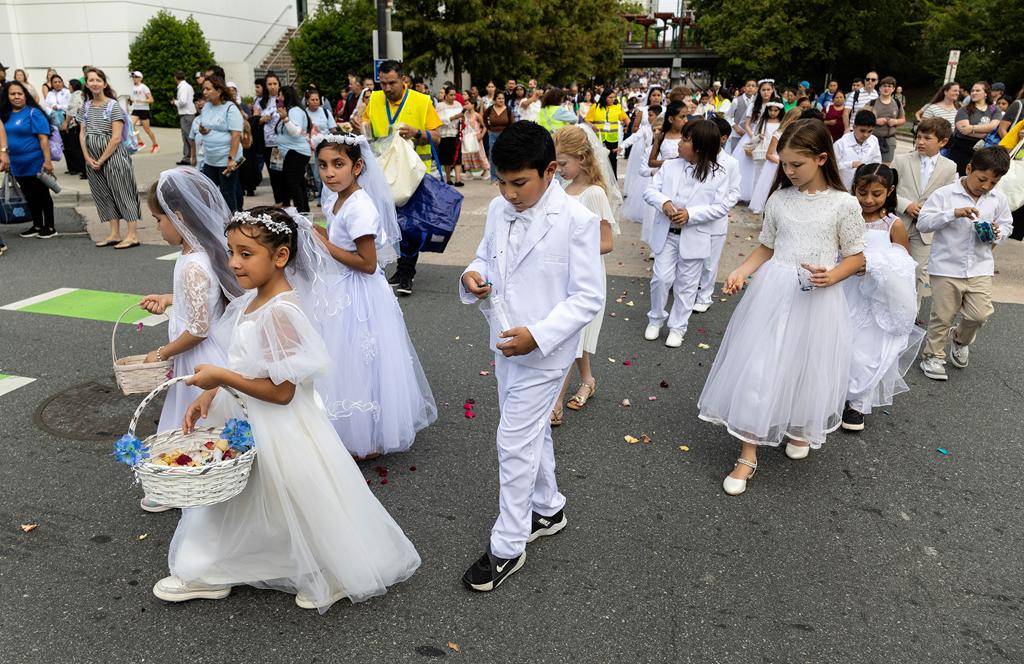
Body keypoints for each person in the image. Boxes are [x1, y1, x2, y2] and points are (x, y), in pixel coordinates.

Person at [154, 206, 421, 611]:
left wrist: (221, 380)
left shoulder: (282, 312)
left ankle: (333, 570)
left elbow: (282, 393)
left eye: (246, 254)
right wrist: (207, 396)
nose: (233, 263)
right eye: (231, 251)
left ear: (280, 257)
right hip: (243, 414)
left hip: (280, 423)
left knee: (297, 496)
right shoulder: (250, 301)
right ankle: (212, 565)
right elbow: (239, 361)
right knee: (237, 496)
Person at [458, 121, 604, 592]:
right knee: (530, 430)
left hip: (544, 352)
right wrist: (471, 275)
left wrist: (537, 337)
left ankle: (508, 544)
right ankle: (549, 506)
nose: (509, 193)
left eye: (519, 182)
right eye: (501, 182)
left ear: (550, 171)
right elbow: (485, 257)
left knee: (514, 440)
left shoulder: (577, 220)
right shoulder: (501, 210)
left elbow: (587, 297)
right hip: (504, 339)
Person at [700, 119, 865, 495]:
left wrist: (832, 275)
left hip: (818, 295)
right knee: (762, 363)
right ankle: (748, 452)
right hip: (775, 291)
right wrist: (740, 271)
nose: (788, 172)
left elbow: (857, 258)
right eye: (784, 165)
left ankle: (800, 425)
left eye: (797, 165)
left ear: (822, 159)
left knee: (808, 363)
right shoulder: (778, 199)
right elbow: (767, 246)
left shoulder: (844, 204)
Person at [312, 134, 437, 458]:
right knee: (344, 360)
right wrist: (317, 234)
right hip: (341, 287)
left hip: (360, 293)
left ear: (357, 166)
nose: (329, 173)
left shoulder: (360, 207)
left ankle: (368, 436)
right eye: (323, 165)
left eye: (338, 165)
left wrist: (326, 245)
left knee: (361, 360)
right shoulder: (334, 197)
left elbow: (367, 264)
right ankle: (349, 425)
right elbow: (338, 236)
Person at [136, 168, 243, 512]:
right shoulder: (198, 254)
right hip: (197, 353)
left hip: (198, 355)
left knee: (198, 419)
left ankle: (197, 480)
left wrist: (162, 352)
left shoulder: (194, 263)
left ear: (177, 217)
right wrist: (171, 299)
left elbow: (198, 328)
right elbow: (201, 300)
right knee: (196, 418)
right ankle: (205, 474)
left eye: (158, 219)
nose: (157, 227)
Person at [917, 147, 1013, 381]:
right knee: (942, 314)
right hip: (946, 266)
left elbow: (1007, 224)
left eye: (993, 182)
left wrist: (998, 232)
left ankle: (960, 339)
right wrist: (953, 213)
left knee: (979, 314)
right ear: (969, 169)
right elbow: (924, 222)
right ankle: (933, 356)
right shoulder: (945, 194)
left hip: (980, 266)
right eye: (982, 179)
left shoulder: (998, 199)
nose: (986, 186)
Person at [841, 164, 924, 431]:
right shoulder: (845, 215)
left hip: (873, 296)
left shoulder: (893, 224)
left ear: (889, 192)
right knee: (840, 343)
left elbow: (903, 263)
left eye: (876, 194)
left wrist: (873, 265)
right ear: (853, 188)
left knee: (865, 350)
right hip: (842, 288)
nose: (868, 200)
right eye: (862, 192)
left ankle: (858, 402)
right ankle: (833, 393)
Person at [642, 119, 739, 348]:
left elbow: (721, 206)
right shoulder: (669, 166)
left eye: (685, 140)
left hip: (695, 235)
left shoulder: (719, 173)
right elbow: (650, 190)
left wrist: (691, 215)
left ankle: (678, 327)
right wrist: (664, 202)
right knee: (661, 278)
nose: (679, 143)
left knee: (686, 284)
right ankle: (656, 317)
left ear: (700, 146)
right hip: (667, 234)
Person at [549, 124, 621, 425]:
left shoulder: (594, 194)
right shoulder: (562, 191)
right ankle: (588, 381)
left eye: (563, 163)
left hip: (586, 274)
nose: (559, 169)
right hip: (563, 273)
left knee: (571, 336)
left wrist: (573, 249)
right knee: (573, 334)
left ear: (582, 158)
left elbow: (607, 242)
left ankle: (555, 404)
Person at [892, 117, 958, 312]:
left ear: (943, 142)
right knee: (895, 266)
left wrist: (929, 212)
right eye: (918, 137)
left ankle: (912, 312)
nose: (920, 142)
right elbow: (887, 191)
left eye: (927, 138)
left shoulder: (949, 167)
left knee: (920, 271)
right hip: (900, 222)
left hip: (926, 228)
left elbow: (946, 198)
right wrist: (906, 205)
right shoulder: (901, 160)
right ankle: (891, 306)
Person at [79, 67, 141, 249]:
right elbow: (82, 134)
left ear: (104, 84)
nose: (95, 83)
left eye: (98, 80)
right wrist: (87, 157)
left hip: (113, 156)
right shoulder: (85, 107)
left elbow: (115, 137)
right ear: (87, 84)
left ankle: (132, 235)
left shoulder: (113, 105)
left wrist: (101, 159)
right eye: (91, 80)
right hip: (92, 158)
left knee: (124, 192)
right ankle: (114, 233)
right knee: (103, 194)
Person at [694, 116, 742, 313]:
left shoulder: (730, 163)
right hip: (694, 218)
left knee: (709, 262)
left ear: (722, 138)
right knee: (692, 258)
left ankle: (704, 296)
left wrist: (721, 207)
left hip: (715, 221)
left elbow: (734, 192)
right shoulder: (696, 157)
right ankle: (690, 289)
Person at [2, 80, 56, 239]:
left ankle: (50, 226)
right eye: (12, 94)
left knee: (42, 194)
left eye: (20, 93)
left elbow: (43, 139)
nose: (16, 97)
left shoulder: (33, 113)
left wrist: (47, 161)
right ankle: (37, 224)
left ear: (26, 96)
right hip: (17, 164)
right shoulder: (5, 115)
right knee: (29, 195)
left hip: (35, 162)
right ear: (7, 96)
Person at [195, 77, 244, 212]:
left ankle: (232, 225)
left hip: (226, 160)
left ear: (219, 91)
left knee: (227, 193)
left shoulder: (230, 108)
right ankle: (215, 220)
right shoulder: (207, 106)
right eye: (203, 89)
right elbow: (205, 127)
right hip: (210, 159)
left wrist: (231, 159)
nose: (204, 92)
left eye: (208, 89)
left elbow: (235, 135)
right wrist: (203, 130)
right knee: (208, 191)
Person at [748, 107, 803, 214]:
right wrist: (783, 162)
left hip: (788, 165)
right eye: (796, 119)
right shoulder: (778, 134)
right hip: (774, 165)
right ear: (790, 119)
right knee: (770, 189)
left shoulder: (797, 135)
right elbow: (769, 154)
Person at [732, 79, 778, 201]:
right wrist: (754, 138)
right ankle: (746, 194)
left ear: (772, 90)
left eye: (768, 90)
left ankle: (761, 195)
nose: (766, 92)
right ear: (759, 91)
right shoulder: (754, 105)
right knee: (747, 167)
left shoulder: (775, 106)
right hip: (753, 136)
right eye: (763, 90)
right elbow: (747, 124)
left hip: (769, 138)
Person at [947, 82, 1001, 175]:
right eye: (972, 91)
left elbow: (993, 126)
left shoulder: (994, 109)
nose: (974, 93)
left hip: (982, 150)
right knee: (955, 176)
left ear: (986, 94)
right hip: (961, 148)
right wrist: (986, 131)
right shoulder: (964, 109)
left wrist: (971, 128)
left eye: (977, 90)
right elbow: (963, 130)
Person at [273, 85, 312, 212]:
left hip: (296, 152)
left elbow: (295, 132)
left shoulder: (294, 111)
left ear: (287, 96)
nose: (278, 98)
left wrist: (285, 118)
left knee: (293, 184)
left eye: (280, 95)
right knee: (298, 183)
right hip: (291, 153)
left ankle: (301, 213)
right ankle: (304, 212)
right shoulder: (289, 110)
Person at [620, 104, 660, 223]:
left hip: (658, 164)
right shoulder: (645, 128)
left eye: (651, 115)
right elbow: (634, 137)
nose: (648, 118)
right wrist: (622, 146)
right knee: (644, 188)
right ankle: (643, 213)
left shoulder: (663, 130)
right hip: (648, 163)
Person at [745, 101, 784, 210]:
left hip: (774, 153)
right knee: (758, 178)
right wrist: (759, 137)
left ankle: (768, 203)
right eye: (770, 110)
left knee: (771, 179)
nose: (772, 112)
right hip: (761, 153)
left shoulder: (781, 123)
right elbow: (754, 137)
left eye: (775, 110)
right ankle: (757, 203)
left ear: (780, 111)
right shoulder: (763, 122)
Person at [585, 88, 629, 175]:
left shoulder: (617, 107)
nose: (612, 99)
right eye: (610, 97)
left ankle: (613, 182)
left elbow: (626, 119)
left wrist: (628, 127)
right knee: (598, 160)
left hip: (612, 139)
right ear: (604, 97)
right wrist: (593, 126)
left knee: (612, 160)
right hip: (598, 139)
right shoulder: (595, 107)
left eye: (614, 97)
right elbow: (587, 120)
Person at [834, 110, 882, 190]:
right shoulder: (841, 144)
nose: (866, 135)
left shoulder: (873, 140)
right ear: (854, 127)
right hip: (844, 187)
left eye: (870, 131)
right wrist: (850, 164)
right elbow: (831, 167)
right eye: (862, 131)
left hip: (865, 187)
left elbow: (877, 161)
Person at [865, 76, 905, 163]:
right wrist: (875, 121)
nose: (886, 88)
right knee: (870, 164)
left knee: (885, 167)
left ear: (893, 89)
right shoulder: (872, 103)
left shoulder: (897, 103)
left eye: (889, 86)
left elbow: (903, 120)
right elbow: (863, 119)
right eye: (884, 86)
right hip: (872, 138)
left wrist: (895, 121)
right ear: (879, 88)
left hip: (889, 139)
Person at [304, 88, 337, 196]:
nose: (315, 102)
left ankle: (326, 197)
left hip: (326, 148)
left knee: (328, 173)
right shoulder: (304, 113)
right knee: (317, 175)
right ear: (307, 101)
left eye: (317, 99)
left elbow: (333, 129)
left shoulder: (325, 112)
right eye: (312, 100)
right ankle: (321, 195)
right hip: (311, 148)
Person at [436, 86, 465, 187]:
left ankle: (458, 179)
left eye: (454, 95)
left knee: (458, 158)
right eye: (451, 95)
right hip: (445, 135)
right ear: (446, 95)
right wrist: (454, 117)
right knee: (447, 158)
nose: (453, 97)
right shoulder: (440, 106)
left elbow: (462, 117)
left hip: (456, 134)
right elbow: (439, 120)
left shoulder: (458, 104)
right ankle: (448, 178)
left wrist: (462, 120)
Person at [484, 91, 513, 183]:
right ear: (495, 99)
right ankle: (493, 178)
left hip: (505, 135)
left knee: (505, 156)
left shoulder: (508, 109)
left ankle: (505, 177)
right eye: (499, 98)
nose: (501, 100)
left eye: (503, 98)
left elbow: (512, 123)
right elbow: (484, 118)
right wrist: (489, 128)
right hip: (492, 134)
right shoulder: (490, 109)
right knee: (493, 156)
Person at [61, 79, 86, 177]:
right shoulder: (79, 94)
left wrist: (66, 122)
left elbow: (73, 110)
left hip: (76, 125)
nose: (68, 87)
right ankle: (82, 169)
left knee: (76, 148)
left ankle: (84, 171)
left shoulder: (76, 95)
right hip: (79, 123)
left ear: (73, 86)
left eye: (69, 85)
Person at [129, 71, 158, 153]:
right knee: (130, 125)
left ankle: (155, 144)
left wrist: (142, 101)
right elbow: (134, 99)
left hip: (144, 110)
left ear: (140, 78)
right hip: (136, 109)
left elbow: (151, 100)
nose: (134, 79)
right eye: (133, 77)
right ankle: (140, 142)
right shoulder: (133, 87)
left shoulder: (144, 87)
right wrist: (131, 101)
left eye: (136, 77)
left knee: (147, 130)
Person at [172, 71, 196, 166]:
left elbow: (183, 101)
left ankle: (193, 157)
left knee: (188, 136)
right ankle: (187, 157)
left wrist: (175, 102)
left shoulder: (182, 87)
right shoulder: (188, 86)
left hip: (186, 114)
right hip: (188, 113)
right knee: (187, 136)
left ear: (175, 78)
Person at [726, 80, 757, 152]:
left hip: (751, 134)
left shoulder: (757, 102)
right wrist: (736, 127)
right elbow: (727, 116)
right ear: (744, 88)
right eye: (748, 85)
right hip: (737, 133)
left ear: (756, 89)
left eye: (753, 86)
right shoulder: (736, 101)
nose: (750, 88)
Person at [461, 100, 489, 178]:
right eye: (465, 104)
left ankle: (486, 170)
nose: (465, 105)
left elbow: (485, 126)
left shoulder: (477, 115)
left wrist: (481, 135)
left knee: (479, 153)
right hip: (467, 137)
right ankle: (468, 171)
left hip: (476, 137)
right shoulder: (464, 114)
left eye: (467, 103)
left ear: (473, 105)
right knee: (467, 154)